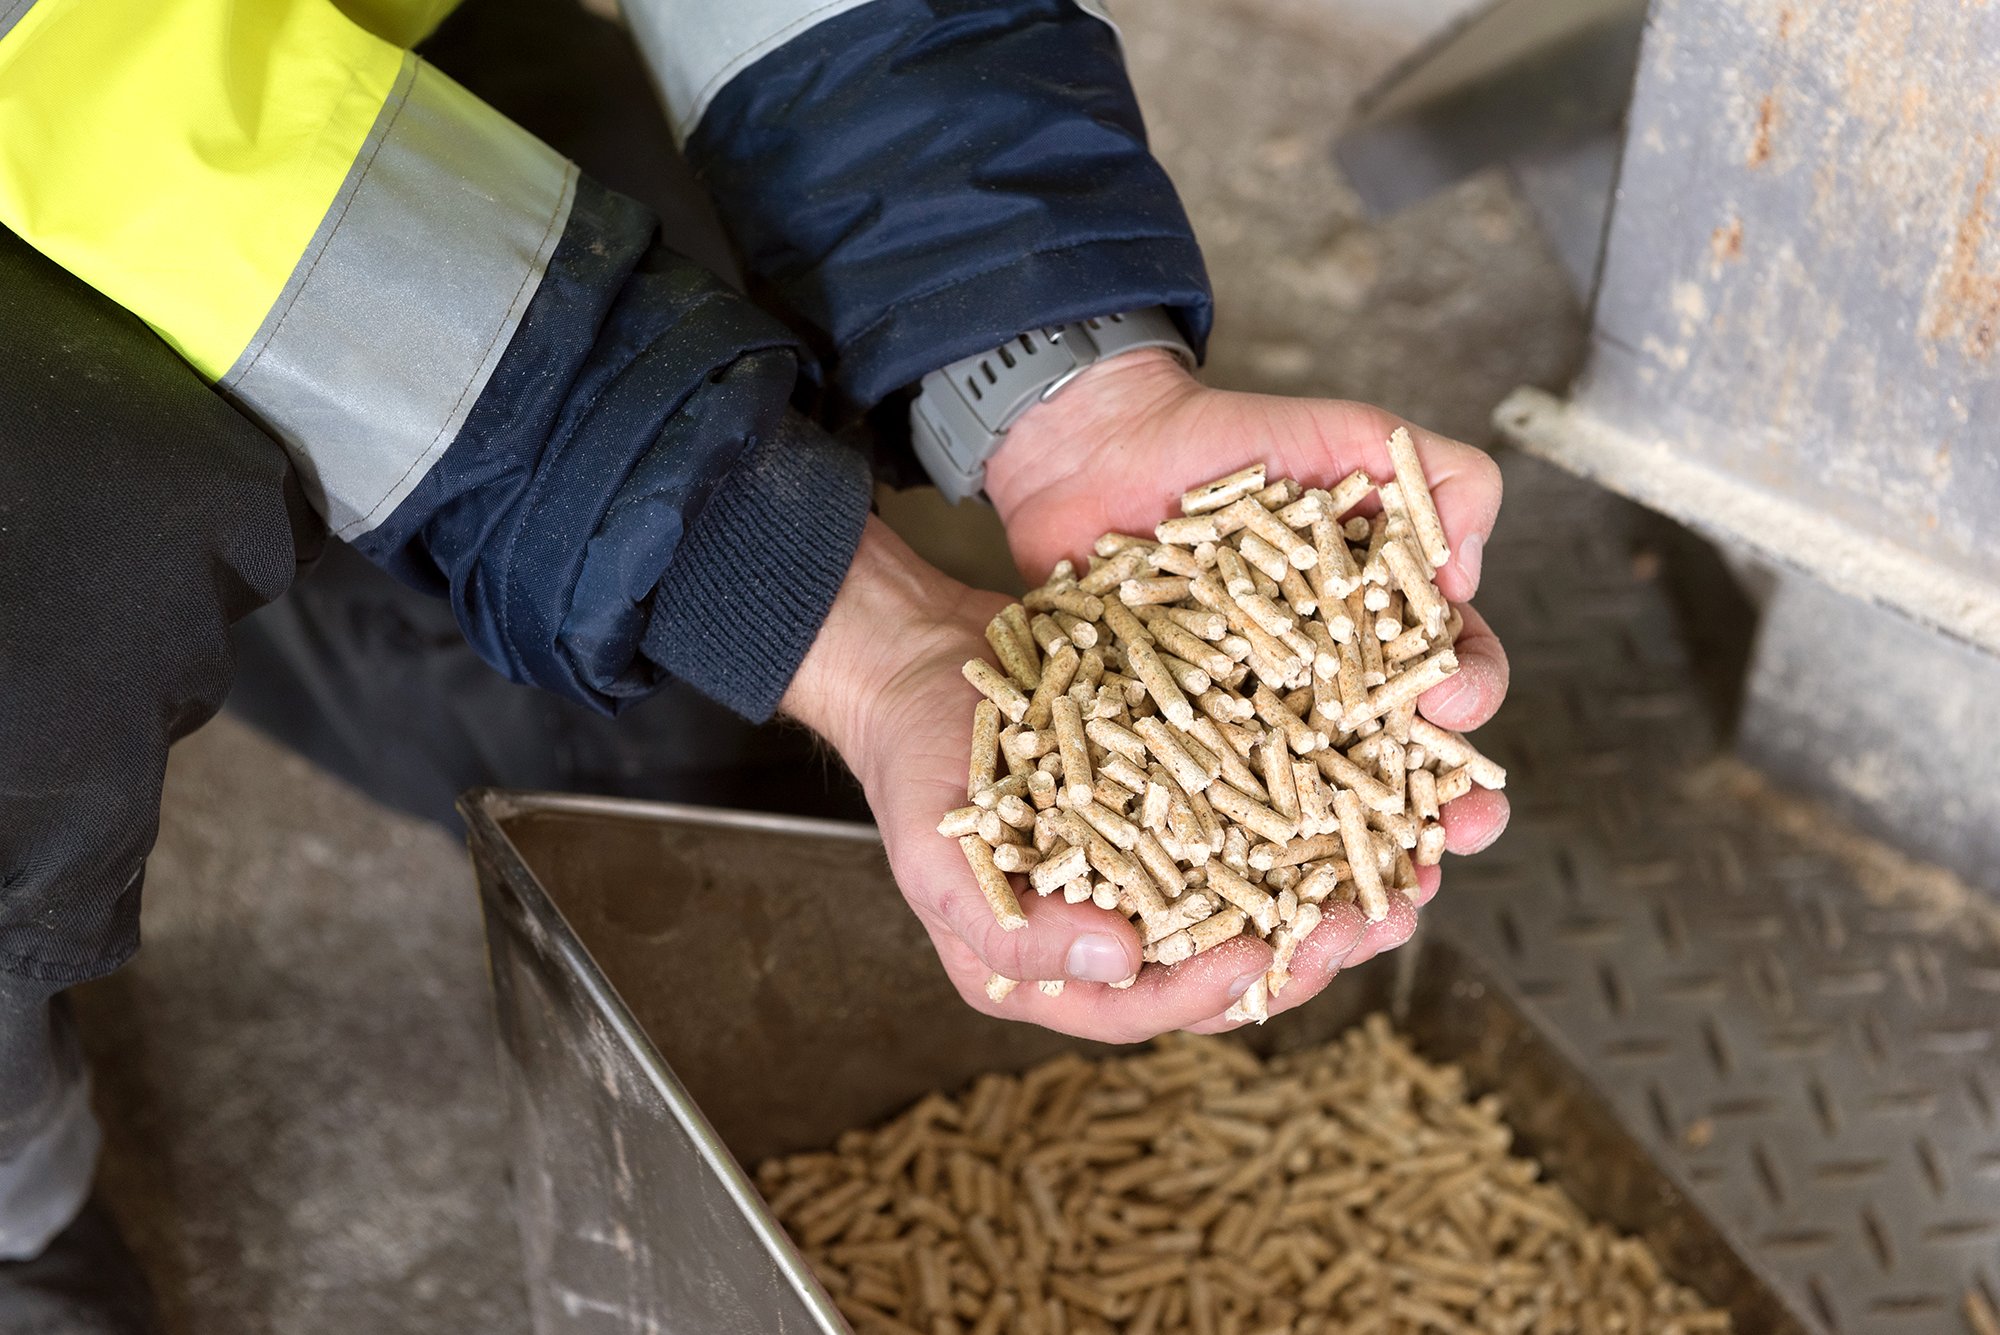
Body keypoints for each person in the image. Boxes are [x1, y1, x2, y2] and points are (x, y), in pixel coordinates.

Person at [0, 0, 1509, 1327]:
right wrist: (735, 540)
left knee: (661, 700)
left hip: (296, 65)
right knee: (44, 645)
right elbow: (89, 90)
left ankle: (319, 520)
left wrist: (1053, 363)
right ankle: (20, 1204)